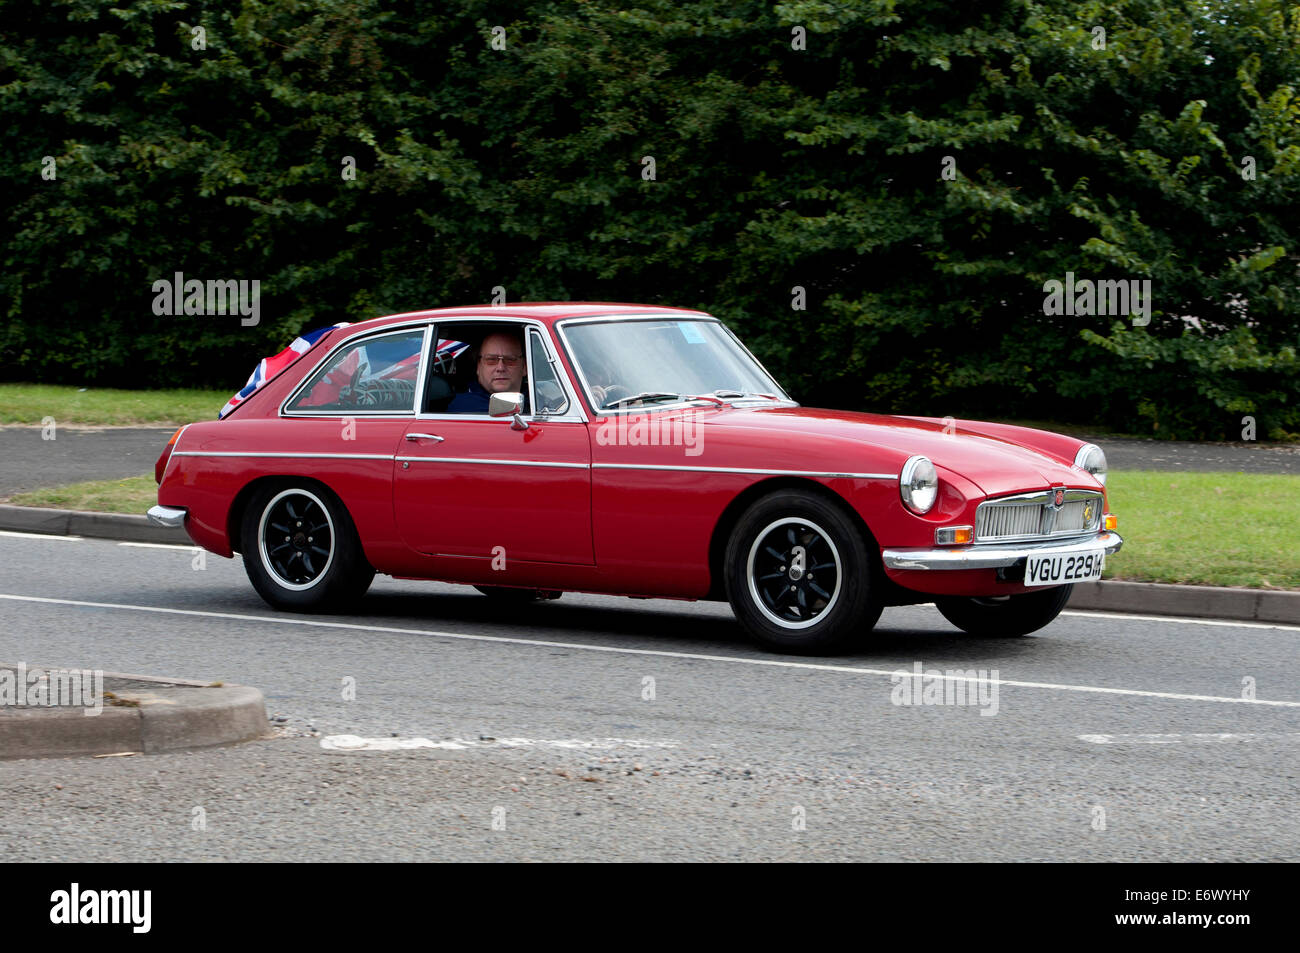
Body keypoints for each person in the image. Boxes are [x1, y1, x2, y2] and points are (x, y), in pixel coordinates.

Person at [447, 330, 526, 413]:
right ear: (478, 367)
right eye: (491, 360)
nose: (500, 368)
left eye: (510, 360)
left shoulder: (537, 401)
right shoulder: (464, 408)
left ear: (524, 367)